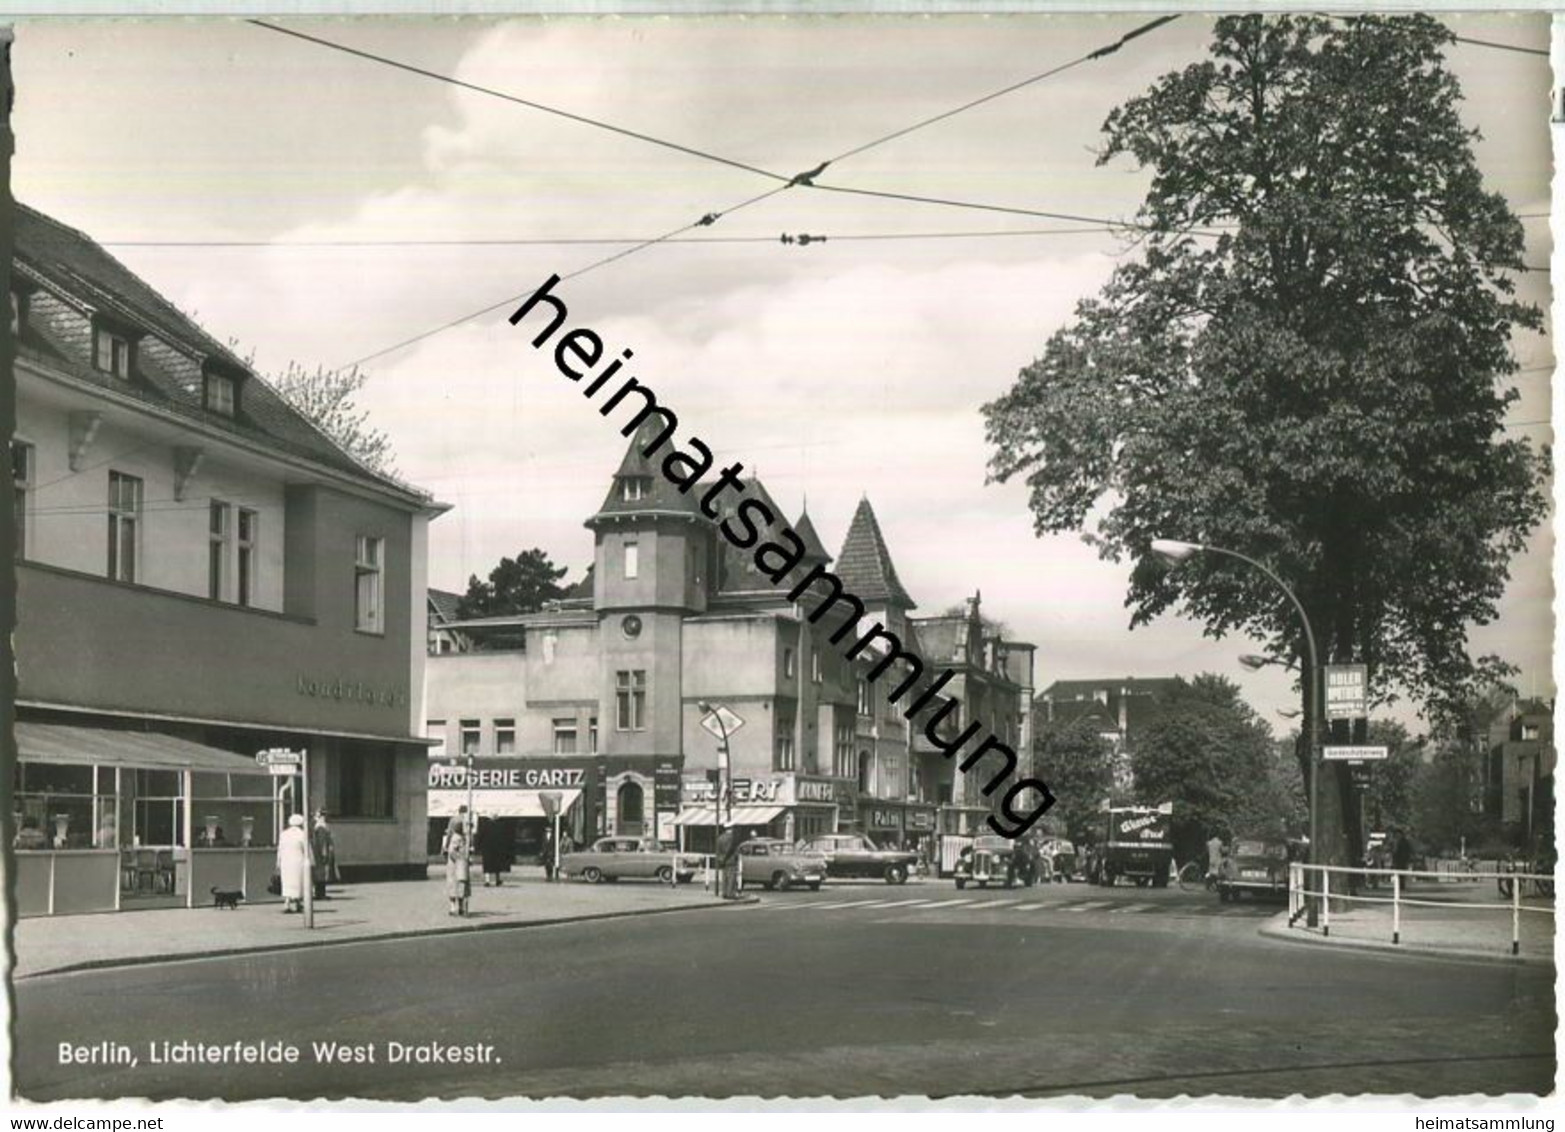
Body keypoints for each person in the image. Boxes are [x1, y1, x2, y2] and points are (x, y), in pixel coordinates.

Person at [275, 813, 312, 914]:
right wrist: (312, 862)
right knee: (299, 883)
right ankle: (297, 904)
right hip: (298, 862)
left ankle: (287, 903)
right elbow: (307, 849)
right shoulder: (302, 834)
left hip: (286, 862)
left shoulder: (284, 834)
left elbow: (280, 849)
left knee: (287, 883)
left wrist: (278, 862)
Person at [443, 809, 471, 916]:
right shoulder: (457, 838)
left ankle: (459, 907)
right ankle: (454, 907)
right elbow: (452, 851)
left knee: (460, 887)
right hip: (456, 866)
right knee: (455, 886)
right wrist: (462, 859)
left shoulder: (461, 837)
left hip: (459, 866)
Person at [311, 811, 338, 900]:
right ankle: (320, 893)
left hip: (318, 852)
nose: (325, 817)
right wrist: (324, 854)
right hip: (320, 853)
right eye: (322, 815)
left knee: (320, 874)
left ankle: (320, 893)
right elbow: (322, 842)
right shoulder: (321, 827)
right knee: (321, 874)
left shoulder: (319, 826)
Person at [476, 817, 509, 887]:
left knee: (487, 864)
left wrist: (478, 846)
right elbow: (504, 837)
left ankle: (487, 880)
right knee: (497, 865)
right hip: (497, 848)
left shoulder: (485, 826)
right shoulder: (500, 826)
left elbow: (480, 836)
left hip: (487, 848)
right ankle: (497, 880)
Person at [716, 823, 739, 899]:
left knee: (724, 877)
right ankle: (730, 893)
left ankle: (724, 892)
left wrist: (720, 859)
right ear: (731, 828)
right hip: (731, 860)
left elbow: (718, 851)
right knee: (731, 877)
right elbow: (734, 850)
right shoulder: (733, 838)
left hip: (723, 860)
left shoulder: (720, 838)